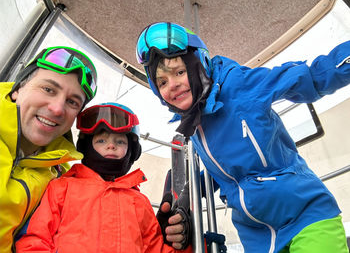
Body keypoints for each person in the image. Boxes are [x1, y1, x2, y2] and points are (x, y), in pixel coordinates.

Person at [136, 22, 350, 252]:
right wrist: (187, 198)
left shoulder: (239, 85)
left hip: (305, 215)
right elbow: (226, 171)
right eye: (162, 82)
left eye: (180, 72)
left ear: (200, 65)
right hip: (258, 239)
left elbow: (306, 77)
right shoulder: (194, 126)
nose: (173, 85)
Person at [15, 102, 192, 252]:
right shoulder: (62, 187)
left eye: (120, 141)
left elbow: (156, 249)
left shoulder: (139, 202)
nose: (111, 146)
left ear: (131, 150)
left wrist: (187, 242)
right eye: (101, 140)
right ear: (86, 146)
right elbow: (35, 239)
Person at [0, 46, 97, 253]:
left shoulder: (61, 179)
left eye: (72, 102)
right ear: (17, 89)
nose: (57, 108)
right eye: (48, 89)